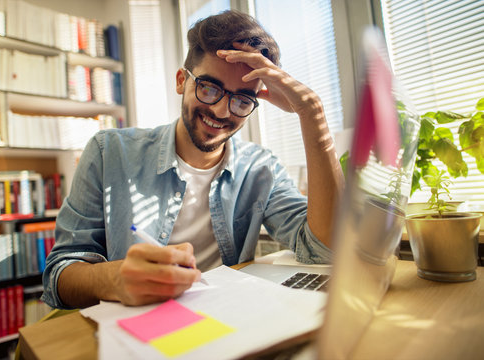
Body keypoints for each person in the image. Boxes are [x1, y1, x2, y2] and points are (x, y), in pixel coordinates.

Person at [42, 10, 343, 309]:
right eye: (209, 88)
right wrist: (112, 279)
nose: (223, 111)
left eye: (241, 100)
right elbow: (58, 276)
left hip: (227, 324)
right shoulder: (110, 153)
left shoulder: (260, 169)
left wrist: (311, 113)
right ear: (180, 81)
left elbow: (324, 250)